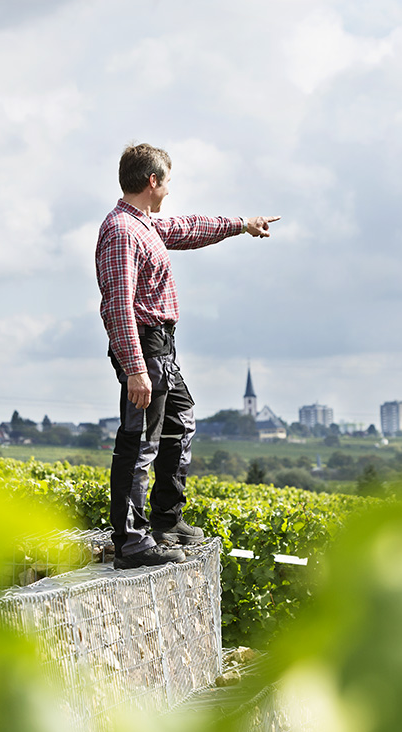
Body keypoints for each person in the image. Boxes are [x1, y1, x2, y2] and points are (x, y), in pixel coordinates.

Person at [95, 143, 279, 569]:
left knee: (180, 421)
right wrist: (135, 369)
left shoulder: (146, 225)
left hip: (162, 347)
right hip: (142, 346)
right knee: (140, 441)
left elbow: (190, 228)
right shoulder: (122, 230)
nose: (169, 190)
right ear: (152, 181)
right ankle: (130, 540)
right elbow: (117, 305)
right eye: (168, 181)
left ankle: (166, 519)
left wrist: (241, 225)